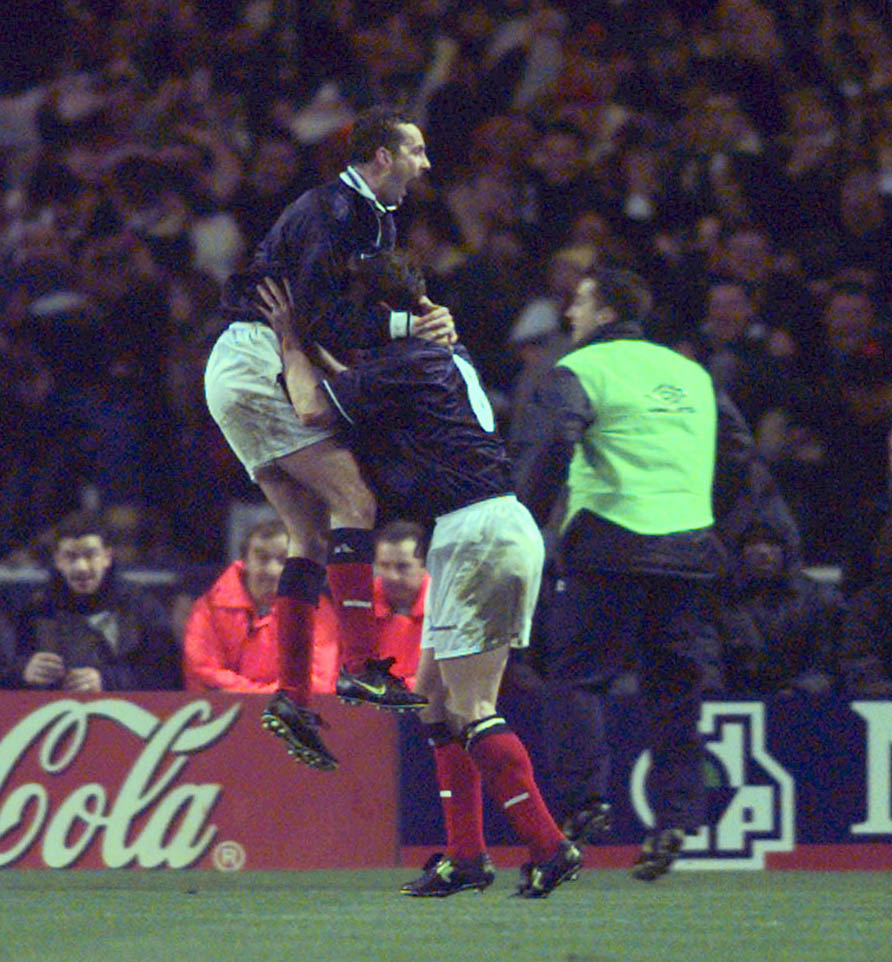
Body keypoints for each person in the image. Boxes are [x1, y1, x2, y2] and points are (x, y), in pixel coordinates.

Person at [256, 251, 580, 899]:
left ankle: (549, 846)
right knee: (434, 697)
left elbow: (315, 409)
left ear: (377, 312)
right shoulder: (439, 357)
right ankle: (465, 858)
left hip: (478, 531)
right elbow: (361, 385)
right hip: (483, 528)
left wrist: (292, 342)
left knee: (470, 706)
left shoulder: (406, 362)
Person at [205, 105, 455, 770]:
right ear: (381, 157)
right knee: (358, 504)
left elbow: (338, 311)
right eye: (417, 152)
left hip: (256, 362)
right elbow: (314, 309)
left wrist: (416, 317)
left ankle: (291, 696)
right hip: (262, 358)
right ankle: (358, 663)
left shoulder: (371, 217)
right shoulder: (338, 210)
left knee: (311, 534)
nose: (426, 165)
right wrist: (407, 331)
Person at [514, 266, 741, 882]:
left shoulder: (582, 370)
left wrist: (526, 521)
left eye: (581, 304)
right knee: (675, 689)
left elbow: (553, 445)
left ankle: (585, 801)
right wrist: (700, 509)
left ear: (606, 311)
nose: (571, 317)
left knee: (578, 678)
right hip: (690, 553)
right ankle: (675, 819)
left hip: (609, 547)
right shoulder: (693, 373)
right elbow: (739, 452)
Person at [8, 511, 181, 691]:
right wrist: (23, 671)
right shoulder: (35, 611)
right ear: (58, 560)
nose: (81, 567)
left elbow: (168, 676)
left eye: (90, 555)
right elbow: (8, 669)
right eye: (71, 557)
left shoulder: (141, 607)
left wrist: (107, 681)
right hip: (54, 716)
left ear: (107, 557)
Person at [182, 518, 338, 694]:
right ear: (244, 562)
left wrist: (255, 696)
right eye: (262, 558)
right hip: (225, 717)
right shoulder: (208, 608)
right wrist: (267, 697)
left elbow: (320, 681)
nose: (272, 570)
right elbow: (204, 674)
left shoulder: (315, 608)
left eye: (283, 559)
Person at [717, 520, 845, 697]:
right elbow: (708, 660)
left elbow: (829, 663)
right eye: (753, 543)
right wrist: (714, 695)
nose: (763, 552)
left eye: (772, 543)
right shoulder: (718, 602)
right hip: (736, 702)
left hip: (805, 703)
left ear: (787, 551)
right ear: (739, 552)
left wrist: (798, 691)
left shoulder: (820, 599)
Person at [370, 519, 429, 690]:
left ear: (424, 566)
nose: (392, 576)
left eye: (403, 567)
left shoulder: (444, 609)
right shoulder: (360, 606)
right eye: (384, 565)